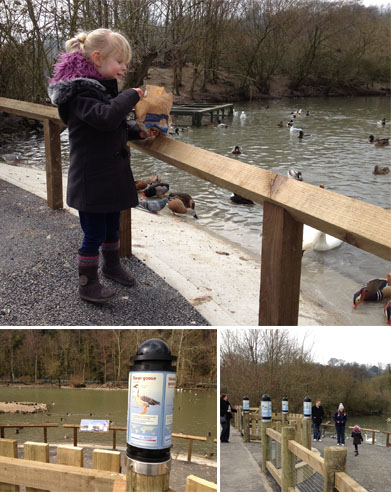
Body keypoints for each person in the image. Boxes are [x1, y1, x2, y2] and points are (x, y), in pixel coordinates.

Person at [48, 28, 158, 303]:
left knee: (111, 226)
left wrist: (137, 131)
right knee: (94, 233)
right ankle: (87, 283)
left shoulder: (101, 91)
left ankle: (112, 266)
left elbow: (113, 127)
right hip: (91, 182)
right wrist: (132, 95)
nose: (124, 67)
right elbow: (106, 118)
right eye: (119, 61)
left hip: (107, 178)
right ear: (97, 58)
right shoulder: (79, 94)